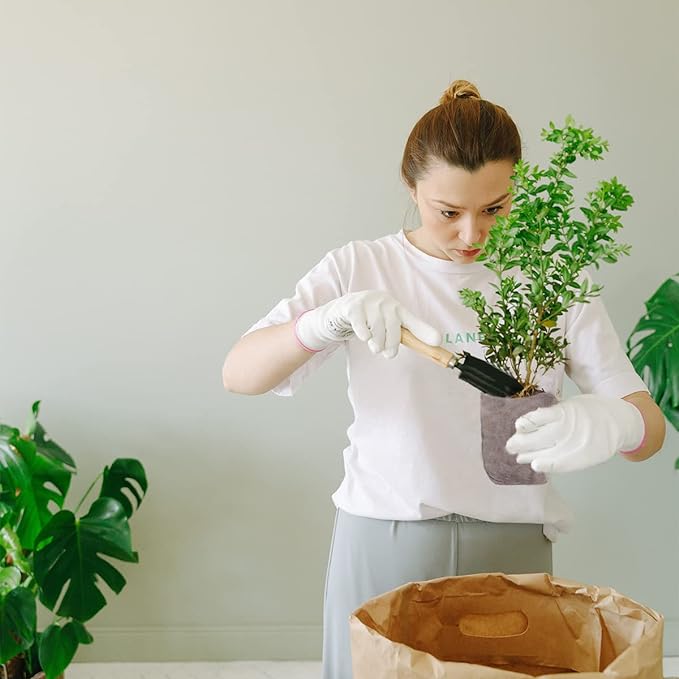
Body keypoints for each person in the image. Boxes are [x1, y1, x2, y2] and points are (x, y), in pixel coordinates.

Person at [222, 79, 666, 679]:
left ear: (519, 189)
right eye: (448, 212)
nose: (471, 236)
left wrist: (617, 421)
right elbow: (239, 374)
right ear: (412, 188)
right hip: (384, 537)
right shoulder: (362, 265)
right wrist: (322, 323)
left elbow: (651, 433)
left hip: (512, 547)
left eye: (494, 209)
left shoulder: (552, 277)